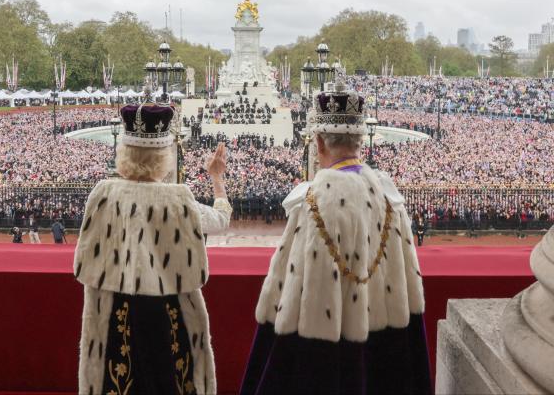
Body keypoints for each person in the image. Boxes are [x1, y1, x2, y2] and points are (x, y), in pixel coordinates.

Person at [241, 82, 431, 394]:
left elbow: (293, 291)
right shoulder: (388, 197)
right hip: (384, 345)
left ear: (318, 143)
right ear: (360, 141)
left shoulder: (313, 201)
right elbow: (408, 287)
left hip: (323, 350)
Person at [74, 96, 231, 395]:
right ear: (164, 156)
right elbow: (221, 219)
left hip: (114, 310)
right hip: (168, 311)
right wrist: (217, 179)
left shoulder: (102, 194)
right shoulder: (179, 199)